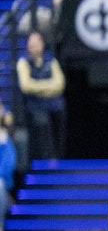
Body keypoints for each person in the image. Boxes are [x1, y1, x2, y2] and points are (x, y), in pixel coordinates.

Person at [16, 32, 66, 161]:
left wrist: (38, 87)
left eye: (36, 44)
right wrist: (49, 86)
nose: (34, 47)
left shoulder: (51, 61)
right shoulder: (23, 63)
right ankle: (46, 159)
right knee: (41, 121)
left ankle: (58, 157)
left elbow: (60, 84)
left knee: (60, 115)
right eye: (31, 45)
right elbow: (26, 86)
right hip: (34, 106)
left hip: (54, 104)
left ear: (42, 44)